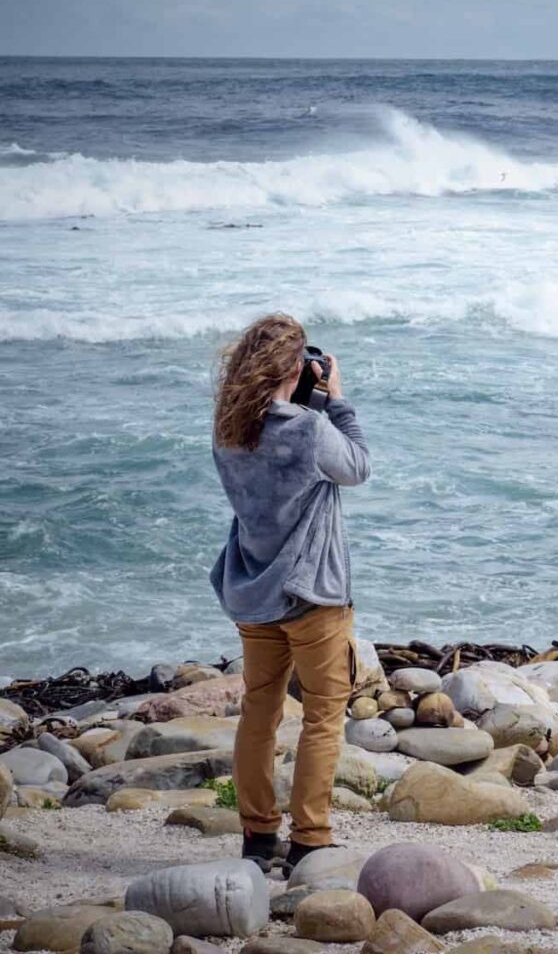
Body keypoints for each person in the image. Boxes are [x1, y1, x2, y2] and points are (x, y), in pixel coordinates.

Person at [209, 313, 370, 876]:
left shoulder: (228, 429)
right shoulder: (309, 427)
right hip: (313, 598)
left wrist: (309, 400)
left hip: (254, 590)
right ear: (296, 368)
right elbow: (356, 466)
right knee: (323, 716)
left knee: (260, 712)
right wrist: (337, 400)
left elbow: (288, 454)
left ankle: (257, 836)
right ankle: (310, 839)